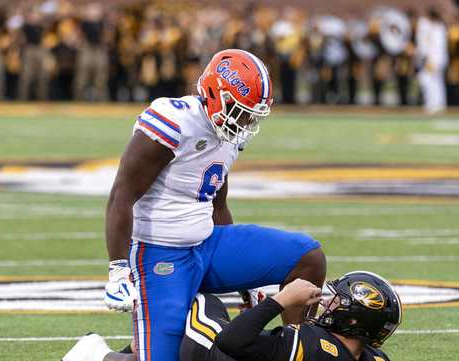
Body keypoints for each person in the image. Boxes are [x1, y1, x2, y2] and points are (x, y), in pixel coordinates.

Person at [101, 49, 326, 361]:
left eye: (252, 113)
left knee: (307, 258)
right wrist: (118, 270)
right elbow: (121, 195)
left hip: (208, 244)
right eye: (241, 110)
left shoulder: (230, 133)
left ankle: (298, 350)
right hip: (160, 254)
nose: (246, 120)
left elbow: (218, 204)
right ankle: (95, 355)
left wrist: (245, 283)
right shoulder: (173, 121)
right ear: (214, 93)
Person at [63, 271, 402, 361]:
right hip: (240, 352)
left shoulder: (311, 344)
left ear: (354, 319)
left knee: (196, 296)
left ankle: (92, 354)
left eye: (338, 302)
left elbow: (233, 341)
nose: (329, 304)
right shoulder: (371, 355)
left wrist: (279, 301)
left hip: (214, 354)